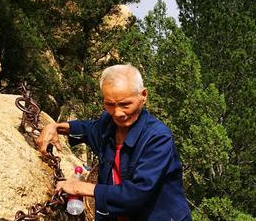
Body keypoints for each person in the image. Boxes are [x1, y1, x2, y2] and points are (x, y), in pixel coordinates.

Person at [36, 64, 191, 220]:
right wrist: (55, 127)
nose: (117, 113)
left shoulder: (157, 138)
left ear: (143, 95)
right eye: (109, 104)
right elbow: (88, 128)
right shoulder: (108, 123)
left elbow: (137, 193)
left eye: (125, 104)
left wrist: (81, 188)